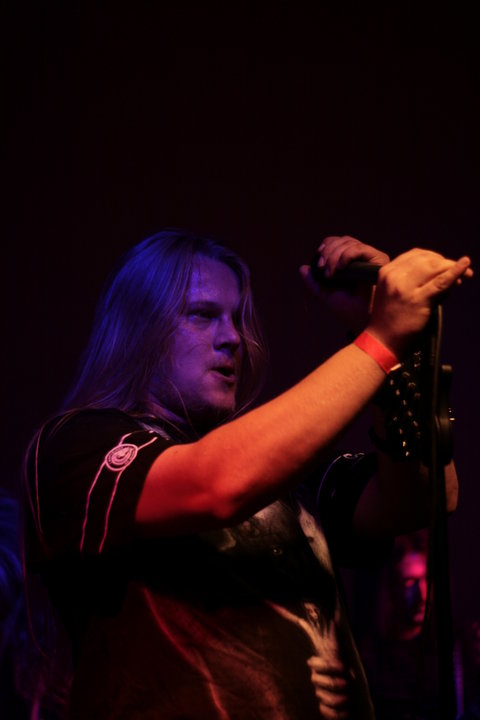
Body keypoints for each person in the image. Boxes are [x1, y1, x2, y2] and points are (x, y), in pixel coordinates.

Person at [23, 230, 472, 719]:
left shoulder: (283, 467)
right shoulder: (74, 446)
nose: (233, 337)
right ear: (139, 327)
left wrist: (396, 352)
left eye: (237, 318)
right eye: (203, 315)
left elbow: (425, 497)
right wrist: (379, 341)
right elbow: (213, 486)